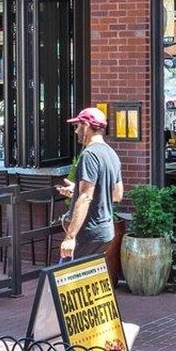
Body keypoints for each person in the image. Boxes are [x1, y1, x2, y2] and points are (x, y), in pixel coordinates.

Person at [55, 106, 123, 265]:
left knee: (65, 281)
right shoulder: (111, 153)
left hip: (88, 232)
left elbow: (86, 197)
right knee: (87, 280)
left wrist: (70, 237)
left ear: (86, 126)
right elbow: (116, 195)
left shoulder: (89, 155)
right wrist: (76, 191)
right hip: (105, 231)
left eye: (77, 125)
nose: (76, 130)